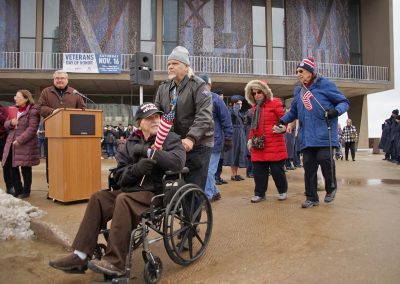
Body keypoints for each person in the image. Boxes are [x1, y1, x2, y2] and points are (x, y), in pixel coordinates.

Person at [49, 103, 186, 277]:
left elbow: (177, 163)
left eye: (157, 116)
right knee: (98, 197)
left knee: (123, 200)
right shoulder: (129, 143)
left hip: (155, 192)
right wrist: (136, 169)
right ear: (139, 123)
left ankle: (115, 262)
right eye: (149, 118)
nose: (155, 120)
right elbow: (120, 176)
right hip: (129, 189)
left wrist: (151, 153)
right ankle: (80, 255)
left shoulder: (170, 138)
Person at [275, 57, 349, 208]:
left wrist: (336, 111)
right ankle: (311, 197)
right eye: (297, 72)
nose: (298, 74)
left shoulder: (325, 84)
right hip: (306, 137)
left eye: (301, 71)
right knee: (308, 167)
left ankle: (331, 189)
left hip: (324, 135)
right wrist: (282, 121)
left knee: (325, 160)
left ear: (310, 72)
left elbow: (344, 102)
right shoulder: (299, 90)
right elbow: (294, 111)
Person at [154, 46, 214, 191]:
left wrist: (191, 138)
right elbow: (156, 114)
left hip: (198, 144)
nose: (170, 67)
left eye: (175, 64)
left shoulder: (199, 85)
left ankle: (193, 212)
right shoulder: (163, 88)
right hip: (174, 144)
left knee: (192, 187)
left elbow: (204, 115)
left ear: (186, 67)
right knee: (172, 187)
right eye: (168, 64)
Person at [38, 70, 86, 183]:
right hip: (51, 133)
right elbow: (39, 108)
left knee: (71, 160)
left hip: (72, 134)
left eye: (62, 78)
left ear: (67, 80)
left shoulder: (75, 93)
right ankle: (52, 186)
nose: (59, 80)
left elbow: (83, 109)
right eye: (57, 78)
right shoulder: (46, 92)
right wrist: (53, 111)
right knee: (52, 161)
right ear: (53, 80)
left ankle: (71, 183)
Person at [245, 80, 289, 203]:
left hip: (274, 142)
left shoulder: (275, 102)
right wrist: (249, 138)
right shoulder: (254, 107)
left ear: (265, 91)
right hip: (258, 143)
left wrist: (283, 127)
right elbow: (253, 126)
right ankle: (259, 194)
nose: (256, 95)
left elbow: (284, 118)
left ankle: (282, 191)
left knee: (277, 171)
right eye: (254, 93)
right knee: (258, 171)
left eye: (259, 92)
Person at [199, 74, 233, 202]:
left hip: (215, 141)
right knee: (205, 171)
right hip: (200, 143)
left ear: (209, 85)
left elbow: (226, 119)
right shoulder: (196, 99)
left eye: (204, 84)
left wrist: (229, 137)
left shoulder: (216, 99)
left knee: (208, 171)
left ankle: (206, 198)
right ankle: (215, 192)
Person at [2, 90, 40, 198]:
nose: (15, 99)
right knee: (12, 166)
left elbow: (32, 129)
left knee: (25, 167)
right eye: (15, 96)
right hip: (11, 143)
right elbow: (5, 124)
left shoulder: (32, 111)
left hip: (25, 143)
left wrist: (20, 140)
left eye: (18, 97)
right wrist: (11, 123)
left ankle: (26, 191)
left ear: (26, 99)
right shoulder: (13, 110)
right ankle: (18, 189)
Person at [223, 95, 247, 181]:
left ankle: (235, 174)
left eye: (240, 104)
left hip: (240, 134)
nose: (240, 105)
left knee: (239, 153)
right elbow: (234, 115)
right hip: (235, 134)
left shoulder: (239, 112)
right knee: (234, 153)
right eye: (238, 104)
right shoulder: (231, 111)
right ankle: (233, 175)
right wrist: (235, 107)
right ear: (233, 104)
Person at [214, 89, 229, 185]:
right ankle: (215, 178)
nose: (221, 100)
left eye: (223, 98)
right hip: (216, 136)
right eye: (220, 98)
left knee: (221, 159)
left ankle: (218, 176)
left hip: (222, 136)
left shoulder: (223, 108)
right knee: (216, 160)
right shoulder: (214, 106)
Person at [0, 104, 15, 196]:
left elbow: (7, 124)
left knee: (7, 164)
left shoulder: (4, 109)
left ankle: (10, 186)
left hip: (2, 139)